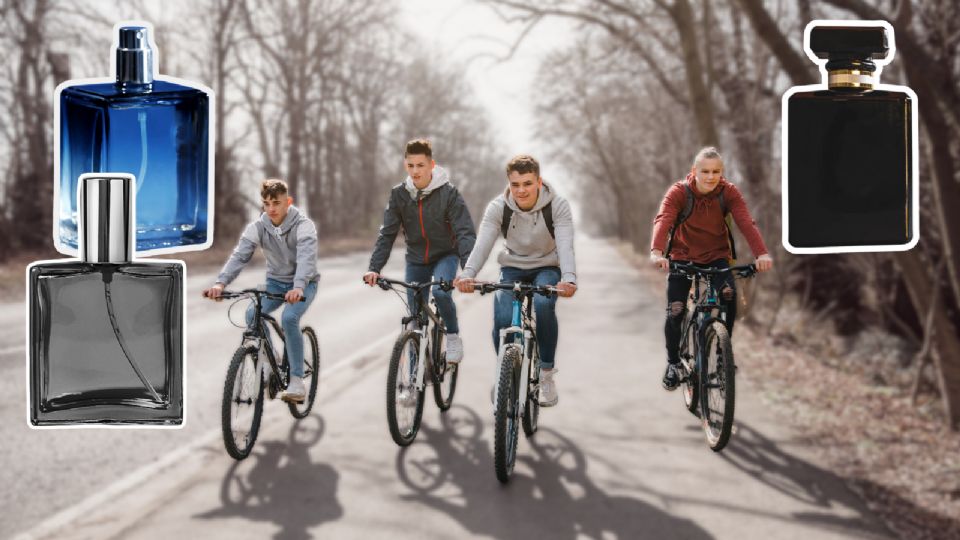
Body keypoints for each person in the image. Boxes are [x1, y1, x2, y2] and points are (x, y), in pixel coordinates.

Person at [455, 154, 577, 407]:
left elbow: (565, 245)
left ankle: (545, 374)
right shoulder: (498, 207)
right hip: (512, 267)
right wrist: (468, 274)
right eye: (515, 184)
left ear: (539, 182)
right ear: (509, 183)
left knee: (543, 305)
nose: (521, 190)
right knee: (501, 317)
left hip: (547, 267)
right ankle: (504, 373)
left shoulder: (557, 205)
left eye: (527, 183)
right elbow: (483, 245)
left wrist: (569, 279)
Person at [650, 147, 773, 391]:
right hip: (681, 257)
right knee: (676, 311)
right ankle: (673, 363)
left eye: (716, 171)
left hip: (716, 257)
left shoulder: (728, 193)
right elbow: (663, 220)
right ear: (694, 171)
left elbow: (746, 222)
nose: (710, 176)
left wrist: (761, 253)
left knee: (729, 297)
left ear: (721, 172)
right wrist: (656, 251)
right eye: (705, 171)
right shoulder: (679, 193)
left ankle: (722, 355)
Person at [203, 179, 319, 402]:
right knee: (251, 314)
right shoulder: (258, 227)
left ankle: (296, 381)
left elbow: (306, 258)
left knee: (289, 318)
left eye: (276, 203)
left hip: (304, 284)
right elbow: (240, 256)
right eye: (266, 203)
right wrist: (220, 283)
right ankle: (270, 358)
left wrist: (298, 286)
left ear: (288, 201)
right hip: (275, 283)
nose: (271, 208)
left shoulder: (304, 226)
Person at [363, 138, 476, 363]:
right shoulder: (399, 194)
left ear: (431, 165)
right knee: (414, 320)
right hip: (416, 259)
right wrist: (374, 268)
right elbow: (387, 233)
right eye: (411, 165)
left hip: (445, 254)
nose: (415, 171)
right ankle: (413, 384)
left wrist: (469, 272)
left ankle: (452, 336)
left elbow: (465, 232)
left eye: (420, 165)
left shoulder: (449, 194)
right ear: (406, 165)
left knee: (442, 293)